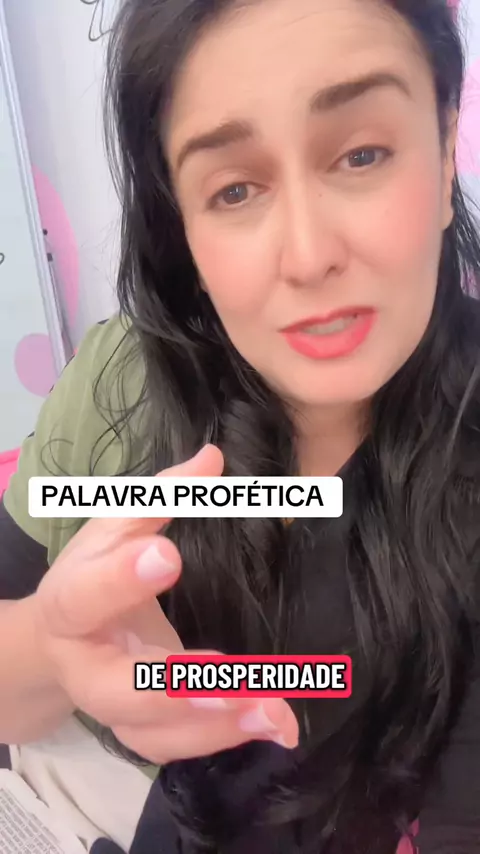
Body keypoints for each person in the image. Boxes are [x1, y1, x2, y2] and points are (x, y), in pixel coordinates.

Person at [0, 0, 479, 851]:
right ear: (183, 229)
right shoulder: (121, 384)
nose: (308, 255)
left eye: (361, 154)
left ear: (444, 153)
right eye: (234, 189)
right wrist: (53, 648)